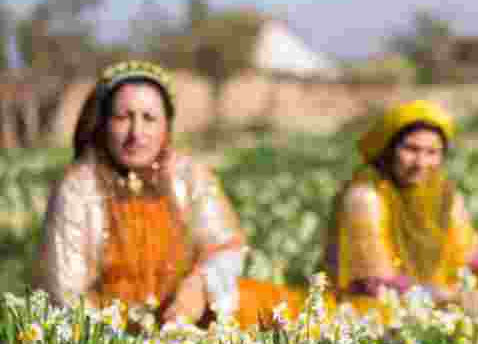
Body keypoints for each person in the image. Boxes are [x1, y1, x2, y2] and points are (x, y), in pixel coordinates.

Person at [38, 60, 303, 329]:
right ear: (102, 123)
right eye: (122, 118)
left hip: (187, 325)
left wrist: (200, 286)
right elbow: (65, 295)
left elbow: (226, 247)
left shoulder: (189, 175)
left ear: (166, 126)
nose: (136, 133)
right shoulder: (77, 189)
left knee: (275, 311)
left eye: (149, 118)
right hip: (108, 340)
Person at [322, 100, 478, 317]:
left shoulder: (444, 195)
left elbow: (465, 258)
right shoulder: (365, 196)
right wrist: (447, 298)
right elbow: (373, 281)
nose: (421, 162)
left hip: (433, 299)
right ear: (388, 149)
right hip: (371, 309)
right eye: (411, 149)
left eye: (432, 152)